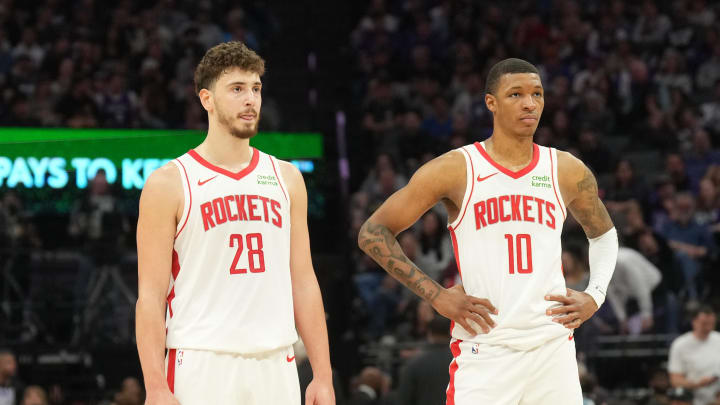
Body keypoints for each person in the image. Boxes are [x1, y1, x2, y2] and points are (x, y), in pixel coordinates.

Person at [358, 58, 618, 404]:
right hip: (487, 350)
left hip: (552, 349)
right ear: (490, 102)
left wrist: (595, 294)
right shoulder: (457, 168)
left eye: (537, 94)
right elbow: (373, 232)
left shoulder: (566, 169)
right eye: (516, 94)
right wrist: (436, 295)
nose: (530, 103)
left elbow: (603, 234)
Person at [135, 41, 334, 405]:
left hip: (276, 361)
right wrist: (155, 386)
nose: (251, 100)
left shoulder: (287, 178)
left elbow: (304, 281)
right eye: (237, 89)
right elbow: (150, 296)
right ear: (206, 99)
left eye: (256, 88)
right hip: (201, 360)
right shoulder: (169, 182)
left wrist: (322, 374)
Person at [396, 316, 454, 405]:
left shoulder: (414, 363)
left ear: (429, 333)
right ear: (451, 332)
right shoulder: (460, 362)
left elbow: (404, 399)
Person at [668, 306, 720, 405]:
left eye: (711, 324)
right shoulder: (680, 344)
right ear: (694, 321)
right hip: (692, 398)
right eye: (704, 324)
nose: (708, 327)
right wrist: (697, 384)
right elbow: (675, 380)